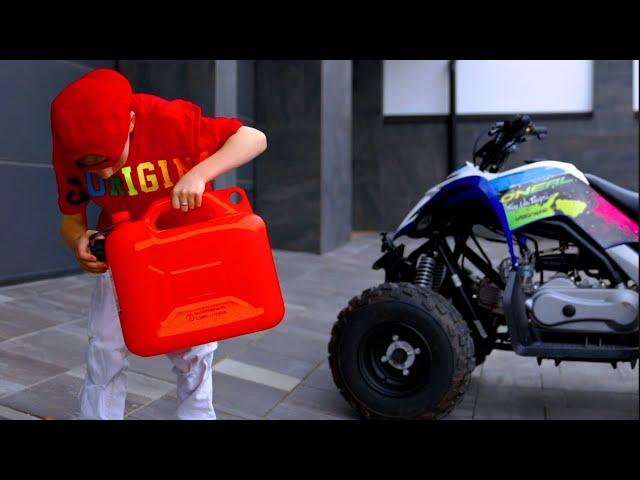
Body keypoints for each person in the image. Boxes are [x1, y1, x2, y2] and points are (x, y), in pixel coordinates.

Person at [50, 68, 267, 420]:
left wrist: (199, 174)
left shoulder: (171, 121)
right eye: (93, 168)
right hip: (124, 255)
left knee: (194, 354)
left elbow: (254, 138)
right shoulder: (71, 144)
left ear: (132, 122)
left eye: (109, 160)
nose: (104, 175)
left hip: (184, 252)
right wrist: (79, 240)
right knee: (105, 349)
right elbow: (72, 219)